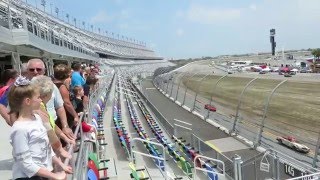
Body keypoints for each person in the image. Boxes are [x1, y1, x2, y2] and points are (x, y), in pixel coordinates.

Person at [8, 76, 71, 179]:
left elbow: (46, 147)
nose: (41, 100)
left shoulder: (37, 118)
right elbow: (26, 164)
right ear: (28, 101)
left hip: (42, 173)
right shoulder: (20, 129)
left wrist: (61, 164)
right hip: (28, 177)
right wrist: (54, 176)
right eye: (38, 97)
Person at [26, 59, 76, 141]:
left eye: (38, 69)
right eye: (31, 69)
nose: (35, 72)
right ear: (27, 71)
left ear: (44, 71)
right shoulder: (22, 90)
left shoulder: (51, 86)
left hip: (52, 126)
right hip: (33, 132)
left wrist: (65, 126)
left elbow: (59, 106)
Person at [31, 75, 72, 159]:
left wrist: (65, 138)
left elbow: (51, 123)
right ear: (46, 95)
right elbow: (49, 130)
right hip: (42, 151)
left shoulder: (42, 106)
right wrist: (60, 149)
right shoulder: (39, 108)